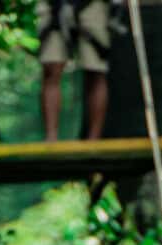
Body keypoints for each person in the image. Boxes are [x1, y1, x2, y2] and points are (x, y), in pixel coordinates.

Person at [37, 0, 111, 141]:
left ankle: (94, 140)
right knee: (51, 68)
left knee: (95, 70)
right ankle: (51, 138)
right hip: (53, 5)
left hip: (93, 5)